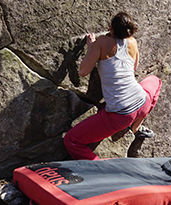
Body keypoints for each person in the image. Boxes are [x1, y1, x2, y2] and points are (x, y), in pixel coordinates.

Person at [64, 12, 162, 160]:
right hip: (142, 102)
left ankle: (101, 168)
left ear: (111, 28)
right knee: (155, 81)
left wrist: (93, 48)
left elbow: (83, 71)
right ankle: (136, 127)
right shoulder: (132, 42)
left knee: (71, 140)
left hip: (120, 115)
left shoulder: (101, 42)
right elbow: (134, 67)